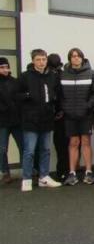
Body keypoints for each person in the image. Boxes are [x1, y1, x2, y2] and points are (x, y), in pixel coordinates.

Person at [16, 49, 62, 192]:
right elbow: (16, 95)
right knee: (29, 151)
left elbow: (57, 93)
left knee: (45, 149)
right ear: (33, 61)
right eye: (38, 59)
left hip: (47, 118)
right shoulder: (25, 76)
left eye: (43, 59)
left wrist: (56, 107)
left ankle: (44, 177)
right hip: (30, 119)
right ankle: (27, 178)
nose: (41, 62)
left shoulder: (52, 76)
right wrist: (28, 95)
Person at [61, 47, 94, 186]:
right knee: (73, 143)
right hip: (70, 115)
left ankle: (88, 172)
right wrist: (65, 108)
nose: (76, 58)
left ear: (82, 58)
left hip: (86, 115)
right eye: (73, 56)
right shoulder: (63, 74)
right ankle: (72, 173)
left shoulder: (91, 74)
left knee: (85, 142)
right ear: (70, 59)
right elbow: (59, 95)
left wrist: (88, 106)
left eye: (78, 56)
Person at [47, 53, 69, 181]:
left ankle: (64, 171)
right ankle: (59, 171)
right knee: (59, 145)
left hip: (63, 114)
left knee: (63, 144)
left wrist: (61, 110)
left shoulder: (64, 75)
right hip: (51, 113)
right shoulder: (46, 76)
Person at [0, 57, 22, 184]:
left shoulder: (15, 82)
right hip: (2, 121)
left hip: (17, 121)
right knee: (2, 148)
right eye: (2, 67)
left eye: (6, 67)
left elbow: (20, 98)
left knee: (23, 146)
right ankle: (5, 172)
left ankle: (28, 171)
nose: (5, 69)